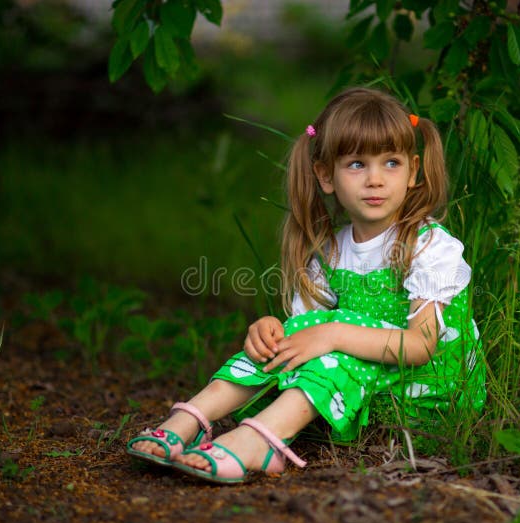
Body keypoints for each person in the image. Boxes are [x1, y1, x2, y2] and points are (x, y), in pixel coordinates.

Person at [127, 87, 485, 484]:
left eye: (391, 163)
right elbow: (306, 337)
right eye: (355, 164)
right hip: (368, 379)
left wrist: (332, 333)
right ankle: (187, 420)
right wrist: (270, 330)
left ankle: (258, 441)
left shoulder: (430, 246)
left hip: (428, 390)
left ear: (413, 171)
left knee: (334, 339)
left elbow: (420, 347)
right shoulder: (331, 253)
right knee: (295, 337)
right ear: (325, 175)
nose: (375, 179)